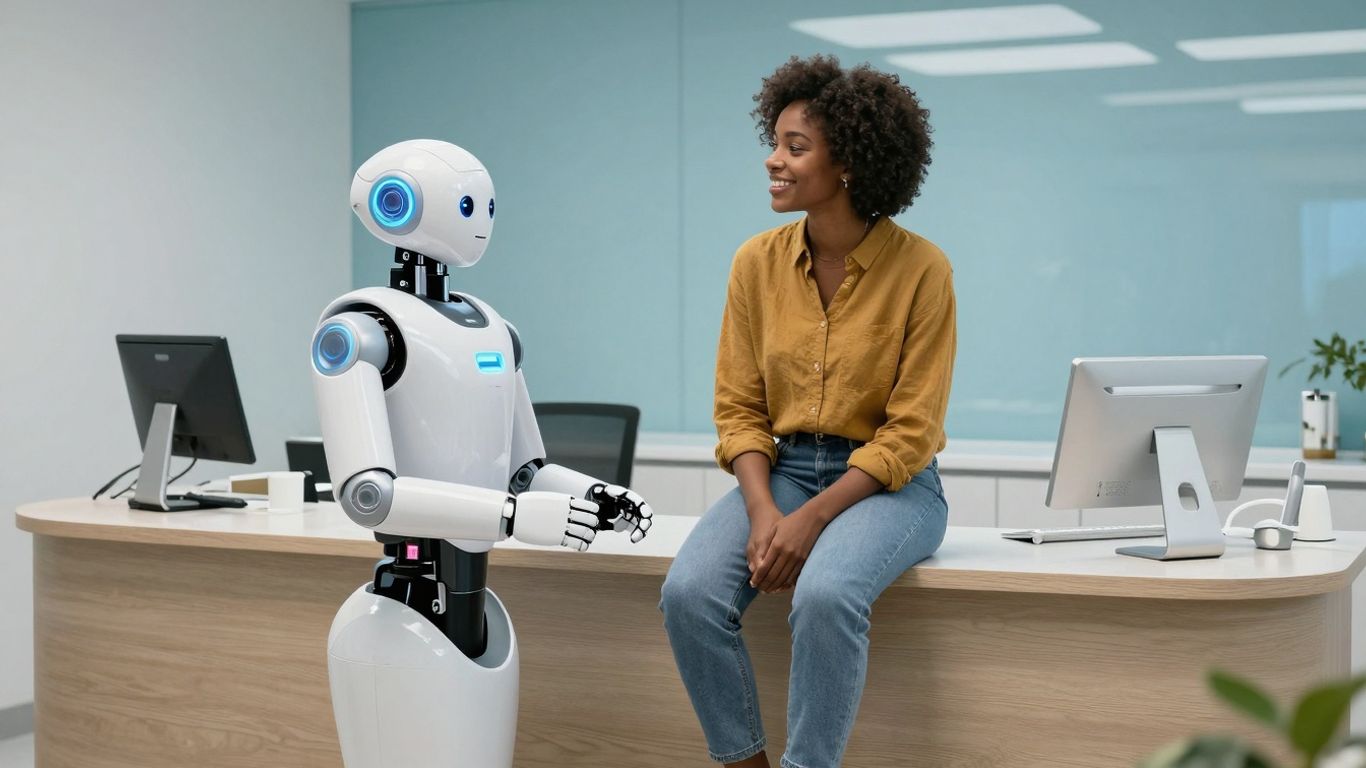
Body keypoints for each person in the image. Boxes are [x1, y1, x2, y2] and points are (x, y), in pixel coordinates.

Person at [659, 54, 956, 768]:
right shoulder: (754, 263)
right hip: (783, 471)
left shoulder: (923, 270)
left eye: (796, 148)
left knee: (824, 596)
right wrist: (766, 512)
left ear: (848, 163)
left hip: (892, 487)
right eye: (776, 142)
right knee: (689, 593)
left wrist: (812, 520)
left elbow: (910, 433)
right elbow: (739, 409)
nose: (774, 160)